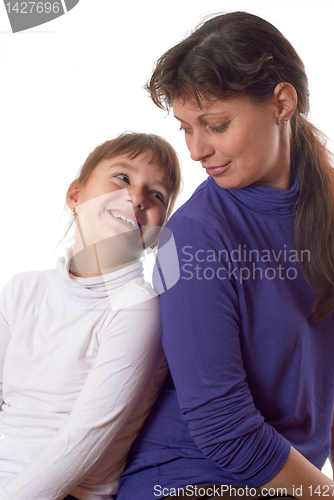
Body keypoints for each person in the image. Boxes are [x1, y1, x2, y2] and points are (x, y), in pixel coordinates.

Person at [117, 12, 334, 500]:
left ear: (282, 103)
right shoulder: (190, 237)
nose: (196, 150)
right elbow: (224, 428)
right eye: (187, 128)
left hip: (293, 488)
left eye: (216, 125)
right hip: (187, 480)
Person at [0, 132, 181, 500]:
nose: (136, 196)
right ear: (76, 195)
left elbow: (84, 438)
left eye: (157, 194)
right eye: (123, 177)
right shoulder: (23, 289)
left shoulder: (138, 309)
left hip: (63, 491)